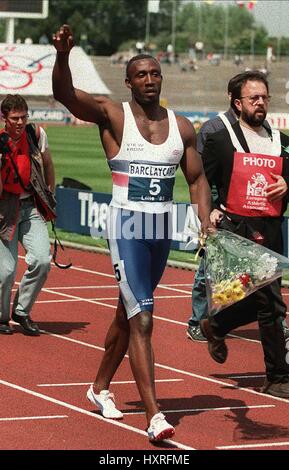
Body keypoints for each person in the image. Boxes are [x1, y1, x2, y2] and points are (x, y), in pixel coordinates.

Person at [52, 24, 212, 441]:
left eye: (154, 73)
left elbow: (197, 180)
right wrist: (64, 55)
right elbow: (66, 96)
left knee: (128, 314)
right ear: (128, 82)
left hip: (160, 228)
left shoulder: (182, 127)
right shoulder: (112, 114)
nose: (149, 80)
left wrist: (205, 219)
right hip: (126, 226)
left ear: (161, 78)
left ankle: (99, 387)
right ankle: (155, 416)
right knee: (143, 318)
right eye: (140, 74)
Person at [199, 70, 289, 397]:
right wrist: (209, 209)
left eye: (264, 97)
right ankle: (278, 376)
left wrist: (288, 184)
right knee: (265, 300)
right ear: (238, 103)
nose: (261, 103)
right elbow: (201, 180)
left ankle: (217, 326)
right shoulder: (221, 139)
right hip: (235, 227)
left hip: (271, 227)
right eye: (254, 98)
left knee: (264, 302)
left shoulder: (281, 142)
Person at [0, 94, 56, 336]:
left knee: (43, 260)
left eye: (24, 117)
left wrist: (50, 192)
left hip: (30, 205)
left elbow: (48, 163)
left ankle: (21, 310)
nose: (20, 122)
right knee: (6, 270)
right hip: (4, 209)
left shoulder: (36, 134)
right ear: (4, 118)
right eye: (15, 118)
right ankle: (1, 317)